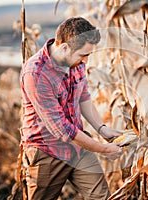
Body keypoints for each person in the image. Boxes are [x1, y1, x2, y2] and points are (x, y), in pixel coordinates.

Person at [19, 17, 122, 199]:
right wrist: (104, 149)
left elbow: (84, 97)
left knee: (102, 197)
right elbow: (62, 130)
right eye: (83, 55)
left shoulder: (76, 63)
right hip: (46, 152)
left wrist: (101, 128)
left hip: (78, 149)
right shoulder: (36, 74)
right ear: (64, 47)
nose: (86, 61)